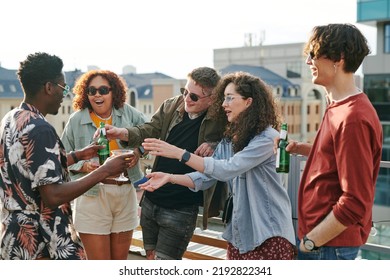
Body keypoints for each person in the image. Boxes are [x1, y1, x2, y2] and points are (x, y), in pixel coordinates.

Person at [140, 71, 297, 260]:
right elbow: (207, 177)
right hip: (240, 234)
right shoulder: (231, 139)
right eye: (223, 98)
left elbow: (227, 169)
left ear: (249, 102)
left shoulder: (267, 138)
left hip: (268, 233)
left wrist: (179, 153)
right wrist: (169, 178)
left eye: (230, 98)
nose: (223, 104)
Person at [0, 52, 133, 260]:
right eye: (63, 87)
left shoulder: (11, 119)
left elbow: (30, 167)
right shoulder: (40, 128)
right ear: (48, 87)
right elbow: (52, 195)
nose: (65, 94)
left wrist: (77, 155)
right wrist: (105, 170)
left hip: (14, 236)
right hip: (41, 240)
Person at [277, 24, 383, 260]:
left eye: (313, 54)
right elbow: (339, 156)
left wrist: (310, 242)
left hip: (327, 246)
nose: (308, 62)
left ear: (339, 58)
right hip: (322, 242)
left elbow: (355, 201)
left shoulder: (352, 117)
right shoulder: (338, 106)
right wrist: (306, 149)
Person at [104, 67, 227, 260]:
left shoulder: (222, 117)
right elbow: (150, 129)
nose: (186, 98)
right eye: (185, 92)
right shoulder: (171, 105)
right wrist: (122, 132)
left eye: (194, 97)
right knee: (151, 258)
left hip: (181, 208)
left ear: (212, 99)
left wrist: (215, 143)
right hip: (152, 200)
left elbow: (235, 143)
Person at [60, 70, 147, 260]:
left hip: (125, 194)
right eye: (92, 91)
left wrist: (138, 152)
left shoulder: (127, 113)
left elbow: (151, 132)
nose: (97, 94)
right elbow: (60, 158)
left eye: (103, 90)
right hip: (92, 196)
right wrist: (82, 166)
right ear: (86, 94)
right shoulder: (76, 119)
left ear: (113, 92)